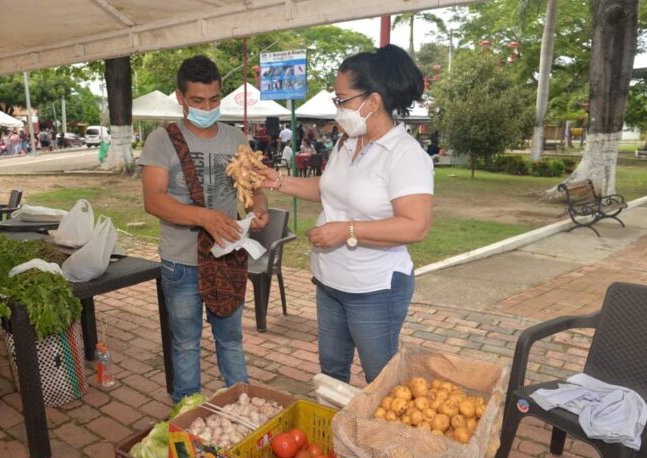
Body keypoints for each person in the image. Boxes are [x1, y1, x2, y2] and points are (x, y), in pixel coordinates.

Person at [255, 44, 433, 384]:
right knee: (332, 373)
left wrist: (347, 230)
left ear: (373, 101)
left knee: (380, 381)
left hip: (374, 289)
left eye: (342, 99)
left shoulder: (404, 154)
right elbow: (329, 188)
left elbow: (416, 225)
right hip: (330, 281)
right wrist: (277, 181)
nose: (337, 109)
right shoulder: (347, 143)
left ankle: (376, 438)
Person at [139, 55, 270, 402]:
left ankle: (243, 408)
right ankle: (187, 414)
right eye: (198, 100)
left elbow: (254, 186)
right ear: (180, 98)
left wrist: (259, 209)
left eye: (214, 99)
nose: (207, 107)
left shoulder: (235, 137)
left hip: (227, 259)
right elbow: (153, 200)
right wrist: (204, 217)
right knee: (185, 343)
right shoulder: (162, 140)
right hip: (181, 263)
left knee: (230, 340)